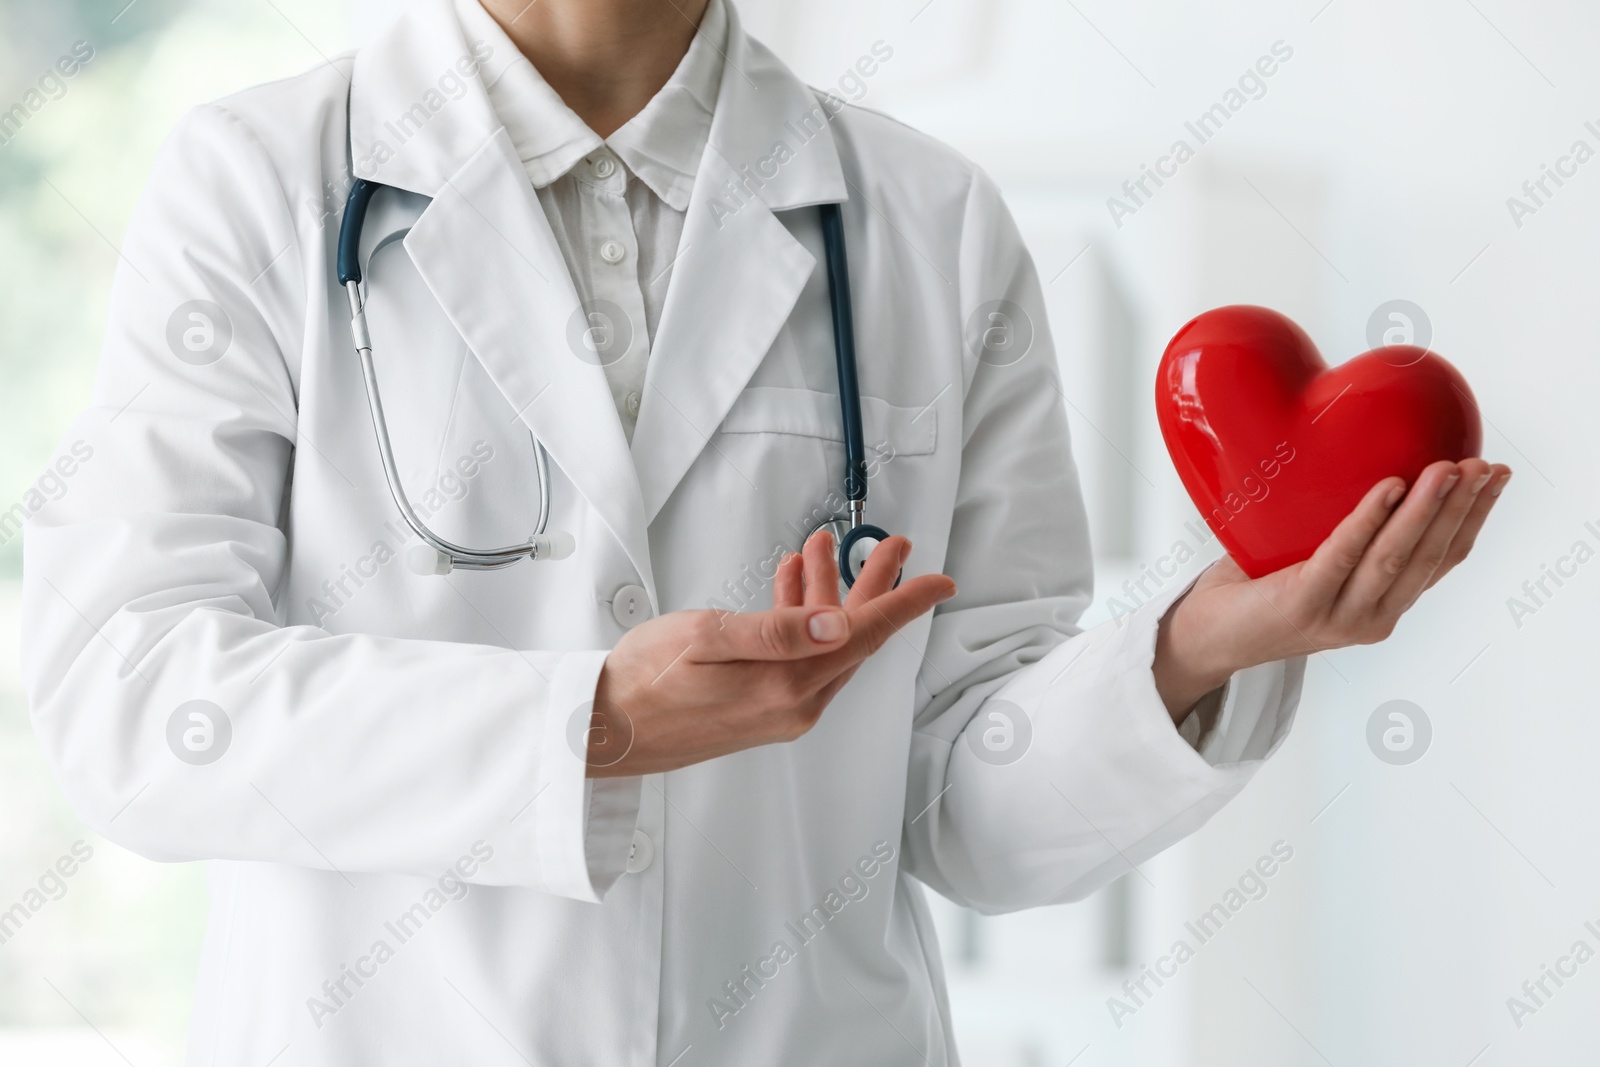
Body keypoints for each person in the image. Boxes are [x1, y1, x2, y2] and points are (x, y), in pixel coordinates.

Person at [20, 0, 1509, 1062]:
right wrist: (591, 723)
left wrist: (1202, 645)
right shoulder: (258, 181)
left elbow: (962, 811)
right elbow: (130, 703)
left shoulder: (927, 221)